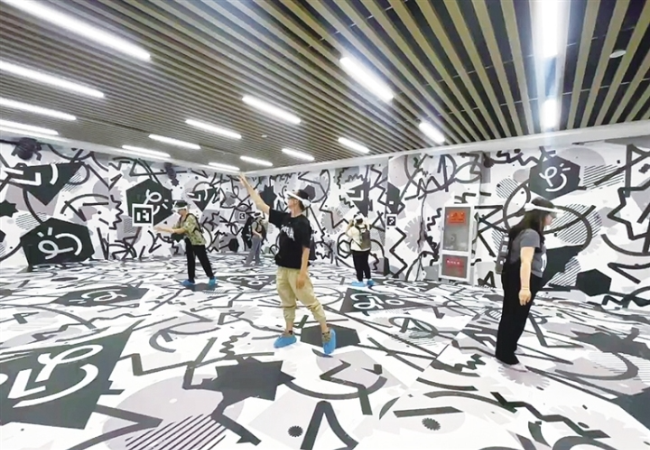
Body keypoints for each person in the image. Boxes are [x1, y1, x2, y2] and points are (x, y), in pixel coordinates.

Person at [238, 174, 337, 355]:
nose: (288, 199)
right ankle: (289, 332)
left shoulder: (303, 224)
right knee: (287, 302)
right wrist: (248, 186)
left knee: (310, 302)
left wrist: (302, 273)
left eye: (291, 197)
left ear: (297, 202)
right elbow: (260, 205)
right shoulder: (284, 218)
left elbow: (306, 249)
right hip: (282, 268)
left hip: (296, 270)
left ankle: (326, 332)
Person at [495, 197, 556, 370]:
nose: (552, 219)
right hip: (522, 279)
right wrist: (525, 288)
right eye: (551, 215)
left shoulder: (522, 231)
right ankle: (506, 354)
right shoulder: (531, 234)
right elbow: (526, 262)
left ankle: (506, 347)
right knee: (516, 316)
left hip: (514, 277)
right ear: (541, 215)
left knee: (510, 314)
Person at [155, 200, 217, 287]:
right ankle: (191, 279)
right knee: (190, 261)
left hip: (197, 242)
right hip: (188, 241)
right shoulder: (181, 219)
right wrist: (166, 229)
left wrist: (164, 229)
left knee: (203, 260)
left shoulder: (190, 218)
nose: (178, 212)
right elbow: (175, 228)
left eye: (179, 210)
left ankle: (211, 277)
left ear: (184, 209)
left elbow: (181, 230)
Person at [346, 212, 374, 287]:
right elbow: (367, 222)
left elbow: (346, 233)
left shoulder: (353, 229)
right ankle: (369, 280)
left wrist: (350, 224)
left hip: (357, 250)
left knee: (358, 266)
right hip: (366, 249)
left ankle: (360, 281)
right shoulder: (366, 227)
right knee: (365, 264)